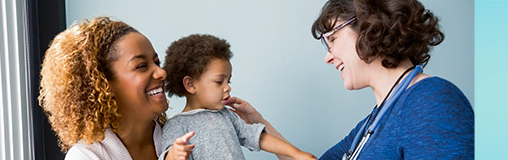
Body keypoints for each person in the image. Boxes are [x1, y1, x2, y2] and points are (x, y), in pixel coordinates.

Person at [228, 0, 474, 159]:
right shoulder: (372, 124)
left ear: (370, 27)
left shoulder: (433, 102)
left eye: (332, 39)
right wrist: (257, 122)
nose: (328, 57)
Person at [38, 16, 194, 160]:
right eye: (141, 66)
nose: (161, 73)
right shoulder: (86, 156)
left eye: (157, 63)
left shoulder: (180, 138)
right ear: (104, 83)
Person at [158, 34, 317, 160]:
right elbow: (168, 155)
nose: (228, 87)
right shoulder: (177, 125)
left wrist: (296, 153)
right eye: (219, 81)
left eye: (229, 80)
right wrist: (173, 155)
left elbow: (259, 138)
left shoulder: (227, 116)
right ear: (191, 85)